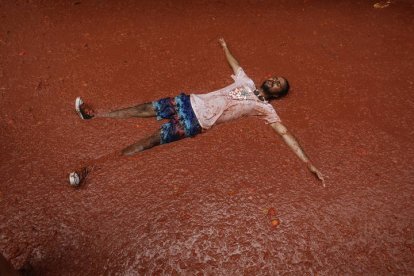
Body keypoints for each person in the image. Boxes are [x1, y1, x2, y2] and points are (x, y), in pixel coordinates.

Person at [69, 38, 325, 186]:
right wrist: (225, 46)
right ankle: (94, 115)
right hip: (186, 101)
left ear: (277, 94)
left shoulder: (265, 109)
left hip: (195, 123)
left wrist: (308, 163)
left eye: (279, 84)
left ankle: (90, 170)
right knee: (141, 109)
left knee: (147, 143)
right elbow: (236, 65)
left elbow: (285, 134)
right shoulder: (245, 82)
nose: (274, 81)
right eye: (275, 78)